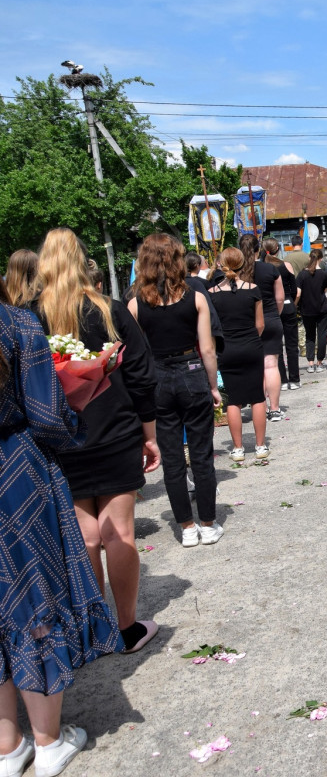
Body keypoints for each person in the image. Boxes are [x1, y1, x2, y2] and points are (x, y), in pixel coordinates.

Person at [0, 291, 124, 777]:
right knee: (33, 598)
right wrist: (76, 415)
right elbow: (48, 416)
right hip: (16, 471)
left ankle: (7, 747)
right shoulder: (15, 325)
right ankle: (48, 741)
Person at [32, 228, 159, 658]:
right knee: (119, 532)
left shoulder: (30, 318)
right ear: (83, 260)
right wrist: (150, 435)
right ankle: (126, 628)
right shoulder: (109, 310)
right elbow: (141, 374)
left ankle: (94, 630)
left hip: (59, 438)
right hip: (115, 431)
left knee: (86, 538)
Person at [129, 234, 223, 546]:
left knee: (171, 457)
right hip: (191, 370)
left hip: (157, 376)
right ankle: (208, 523)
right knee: (201, 453)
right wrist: (213, 385)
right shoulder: (195, 297)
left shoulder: (134, 305)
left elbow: (137, 355)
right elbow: (208, 350)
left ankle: (186, 527)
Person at [209, 247, 268, 463]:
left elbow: (211, 329)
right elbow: (260, 324)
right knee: (258, 397)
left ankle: (237, 448)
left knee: (233, 400)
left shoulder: (212, 294)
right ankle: (261, 446)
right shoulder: (253, 289)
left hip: (227, 349)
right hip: (251, 346)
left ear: (220, 264)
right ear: (243, 264)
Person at [238, 235, 285, 421]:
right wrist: (275, 314)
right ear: (259, 249)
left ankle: (260, 406)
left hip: (247, 322)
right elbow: (280, 298)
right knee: (271, 364)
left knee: (254, 367)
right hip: (271, 318)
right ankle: (274, 409)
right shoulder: (270, 270)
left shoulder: (237, 272)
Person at [264, 238, 301, 390]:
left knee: (275, 346)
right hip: (287, 304)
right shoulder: (285, 266)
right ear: (278, 249)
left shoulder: (262, 267)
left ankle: (282, 381)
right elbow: (294, 289)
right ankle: (294, 379)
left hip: (271, 308)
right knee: (292, 344)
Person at [295, 250, 327, 373]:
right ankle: (320, 362)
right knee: (322, 335)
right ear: (320, 259)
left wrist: (295, 305)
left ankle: (310, 364)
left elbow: (298, 293)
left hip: (307, 309)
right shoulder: (324, 274)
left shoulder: (301, 275)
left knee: (309, 336)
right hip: (322, 308)